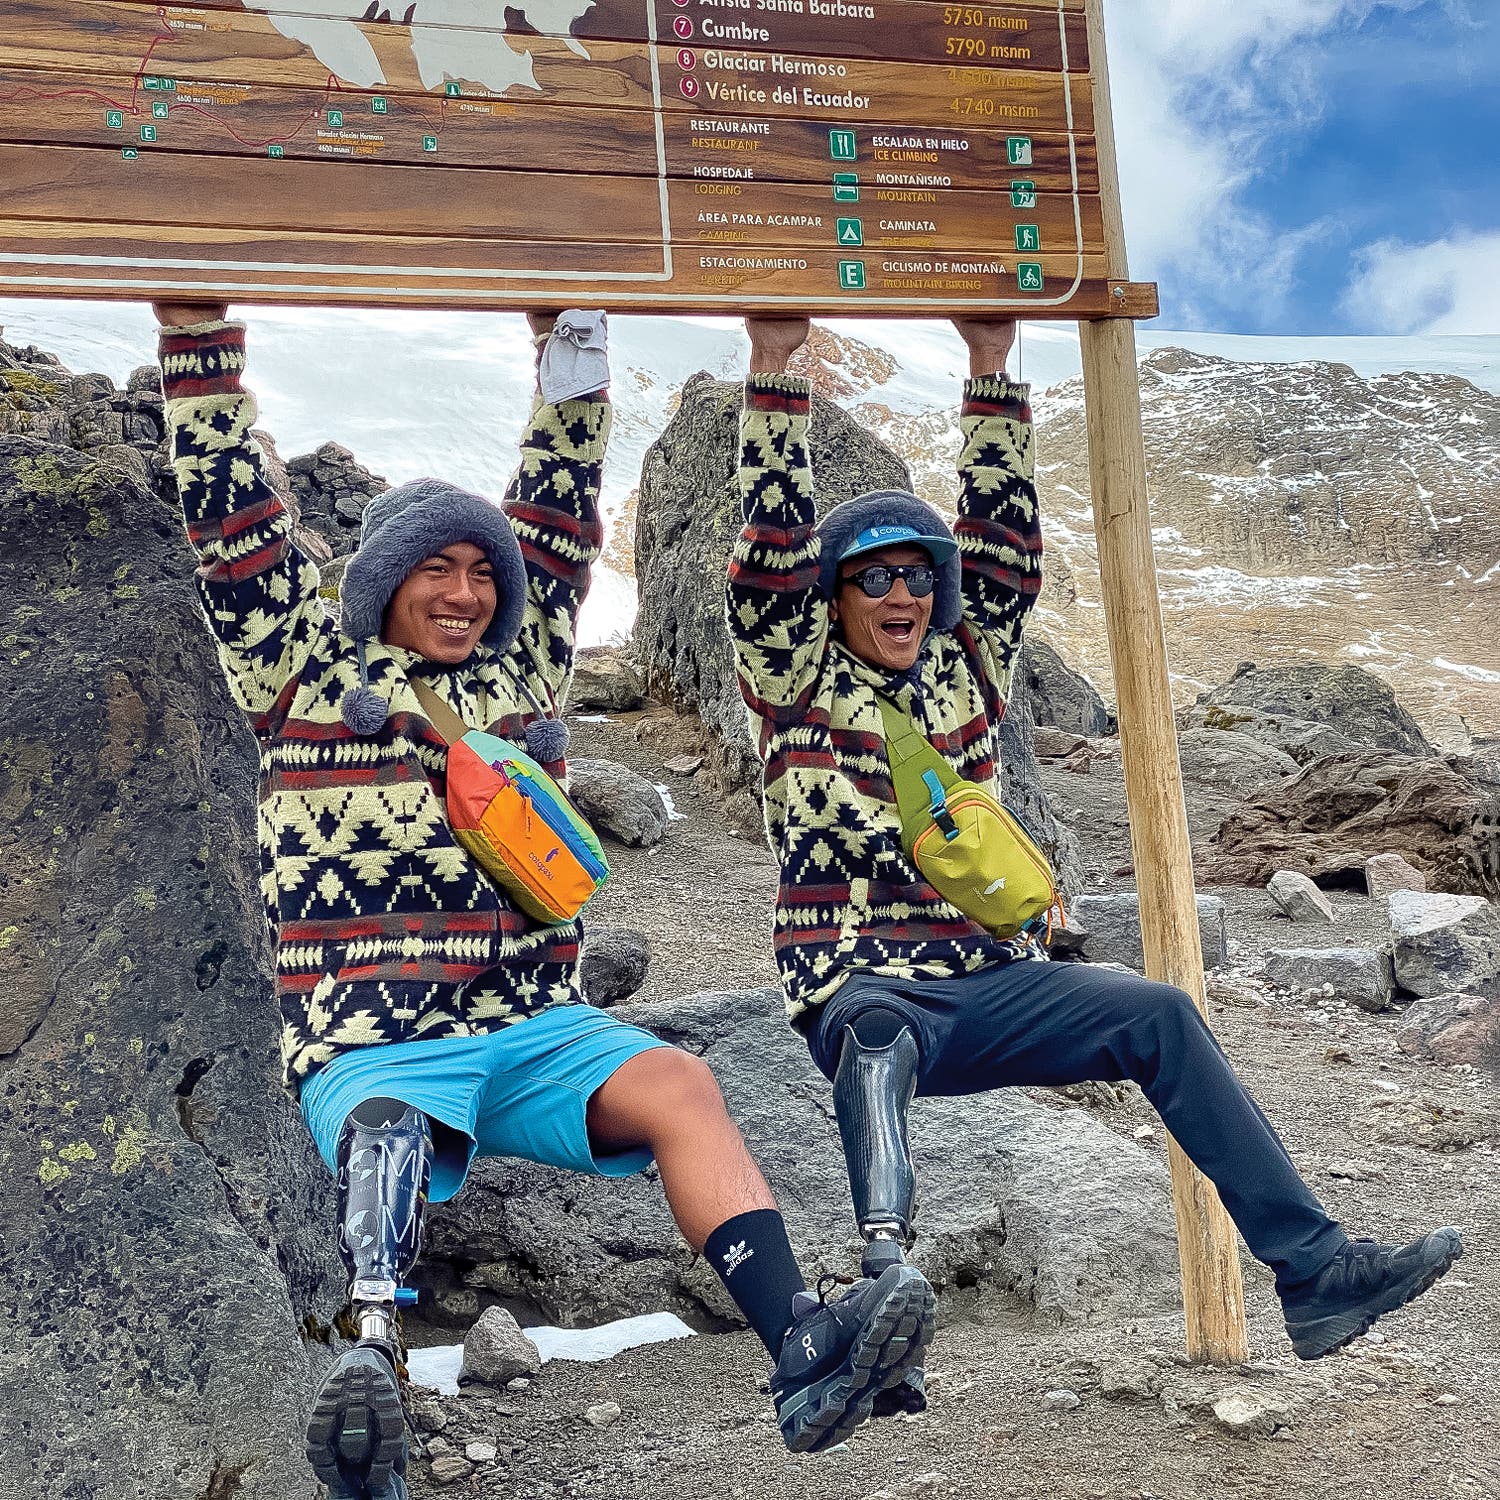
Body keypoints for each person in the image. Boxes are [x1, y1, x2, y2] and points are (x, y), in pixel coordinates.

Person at [153, 303, 933, 1491]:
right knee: (387, 1125)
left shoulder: (521, 674)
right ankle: (374, 1357)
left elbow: (559, 518)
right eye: (438, 568)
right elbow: (236, 530)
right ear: (383, 581)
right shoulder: (301, 669)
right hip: (374, 1036)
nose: (466, 592)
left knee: (680, 1084)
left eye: (482, 574)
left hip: (531, 1026)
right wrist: (197, 343)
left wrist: (571, 353)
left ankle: (803, 1350)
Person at [725, 313, 1463, 1411]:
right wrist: (773, 371)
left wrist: (991, 366)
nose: (900, 596)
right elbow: (764, 556)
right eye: (871, 579)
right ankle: (883, 1279)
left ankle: (1316, 1274)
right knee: (875, 1038)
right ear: (831, 598)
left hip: (989, 983)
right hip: (861, 985)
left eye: (917, 576)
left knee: (1158, 1014)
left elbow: (1004, 547)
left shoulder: (966, 671)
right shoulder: (793, 681)